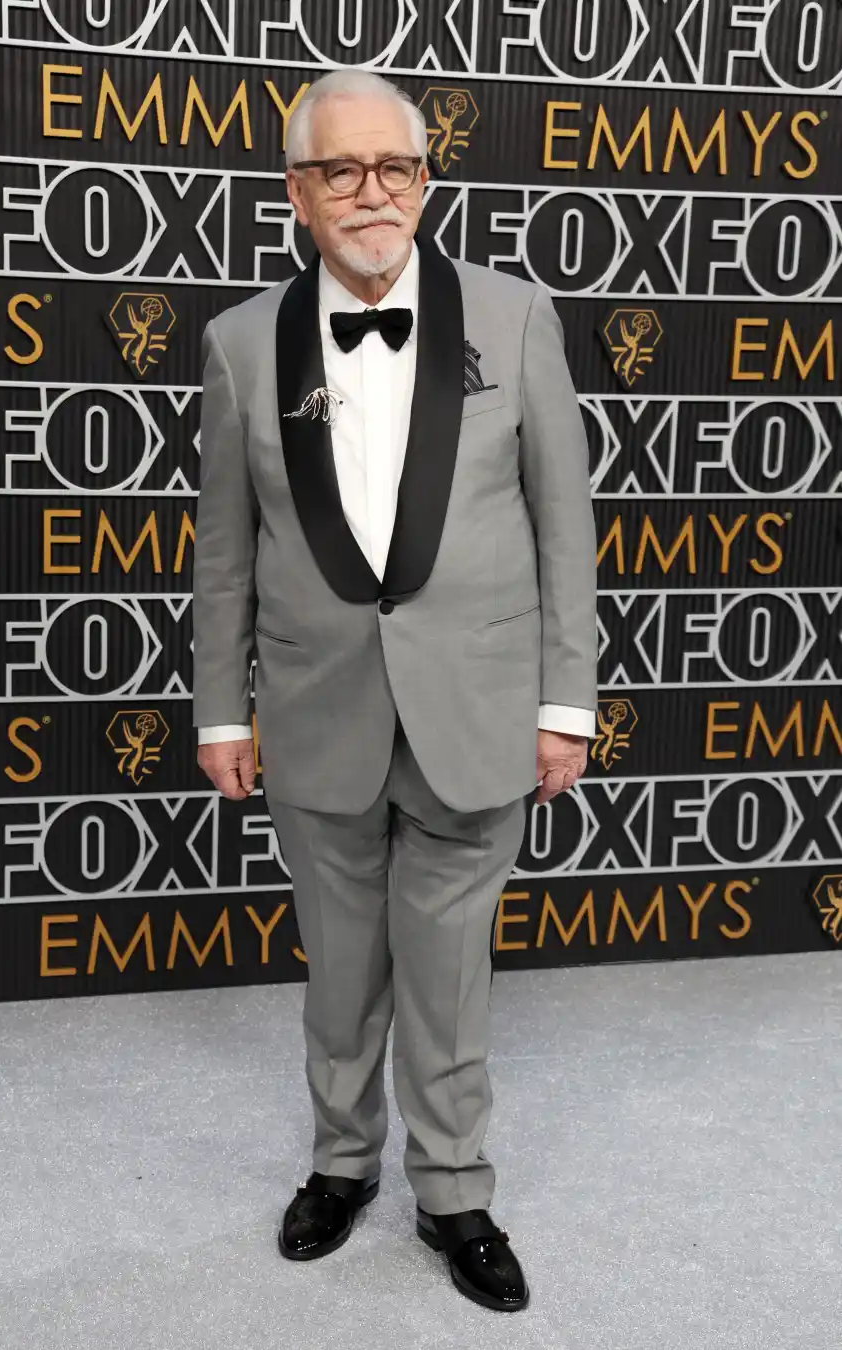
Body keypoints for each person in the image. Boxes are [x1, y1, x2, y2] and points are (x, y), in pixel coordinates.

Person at [192, 68, 598, 1314]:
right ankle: (340, 1163)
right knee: (341, 965)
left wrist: (565, 704)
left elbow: (560, 527)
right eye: (340, 172)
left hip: (478, 710)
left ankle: (456, 1188)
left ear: (424, 182)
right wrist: (221, 708)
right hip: (316, 712)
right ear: (295, 193)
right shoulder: (238, 341)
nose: (372, 196)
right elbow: (224, 549)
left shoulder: (518, 319)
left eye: (396, 170)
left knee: (450, 965)